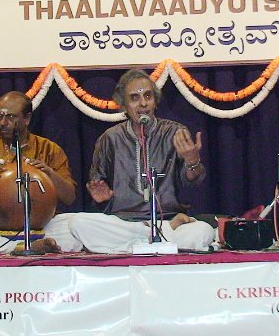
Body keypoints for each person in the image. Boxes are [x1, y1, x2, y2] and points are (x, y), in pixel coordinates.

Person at [65, 69, 215, 253]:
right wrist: (102, 199)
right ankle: (152, 241)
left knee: (202, 231)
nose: (143, 103)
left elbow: (192, 181)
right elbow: (99, 192)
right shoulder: (109, 138)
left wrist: (193, 161)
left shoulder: (174, 132)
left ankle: (137, 246)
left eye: (148, 96)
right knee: (78, 223)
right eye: (134, 98)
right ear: (123, 105)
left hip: (169, 220)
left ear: (155, 100)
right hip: (124, 225)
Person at [0, 91, 78, 254]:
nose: (3, 123)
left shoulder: (49, 150)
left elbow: (69, 198)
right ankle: (17, 248)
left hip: (41, 229)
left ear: (27, 118)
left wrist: (49, 173)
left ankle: (13, 248)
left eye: (11, 117)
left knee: (77, 223)